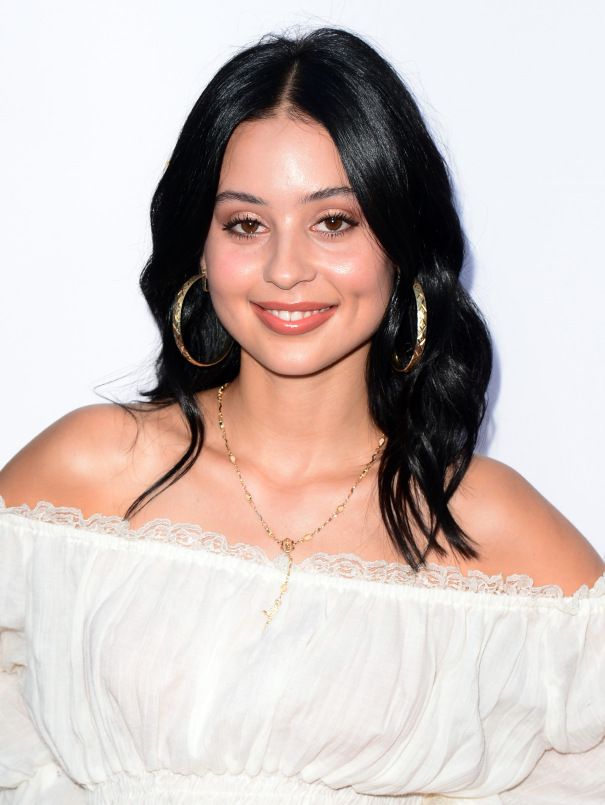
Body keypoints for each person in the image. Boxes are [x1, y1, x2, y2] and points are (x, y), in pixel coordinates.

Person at [0, 25, 603, 804]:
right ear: (202, 250)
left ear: (400, 244)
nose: (286, 269)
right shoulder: (87, 475)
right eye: (245, 224)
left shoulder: (488, 522)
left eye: (334, 221)